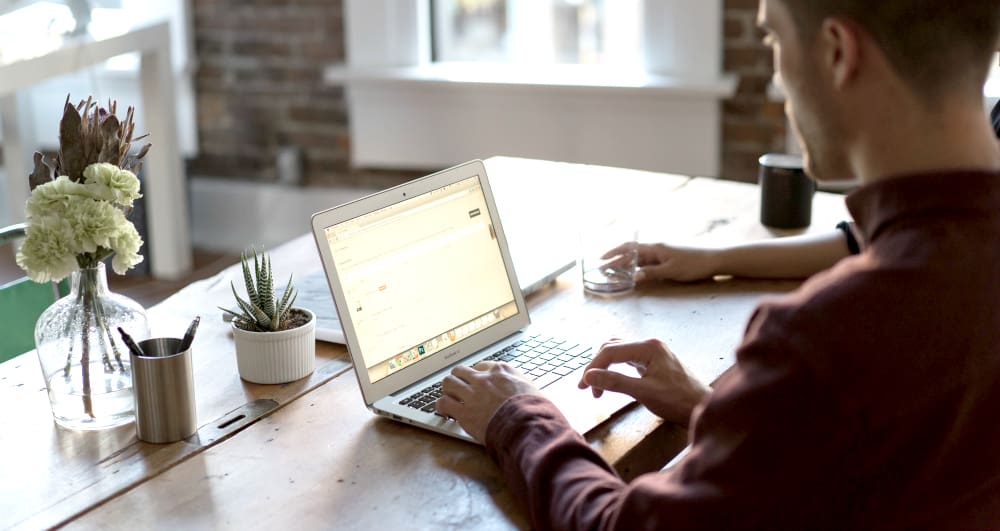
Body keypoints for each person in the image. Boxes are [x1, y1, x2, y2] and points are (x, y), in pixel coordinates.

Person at [436, 1, 1000, 528]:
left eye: (774, 38)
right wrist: (720, 411)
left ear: (836, 52)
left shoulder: (827, 339)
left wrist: (518, 416)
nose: (778, 84)